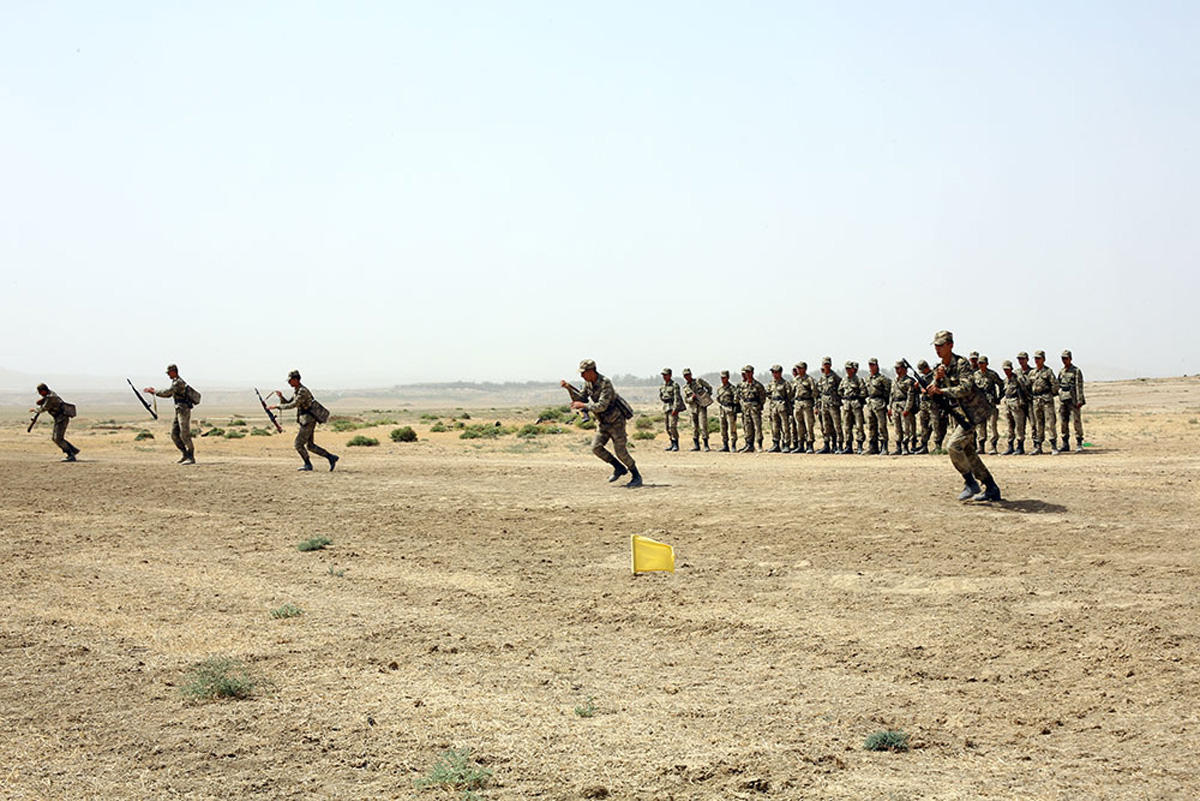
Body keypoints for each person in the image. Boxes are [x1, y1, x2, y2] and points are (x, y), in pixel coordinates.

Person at [922, 331, 1002, 501]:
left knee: (953, 446)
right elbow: (932, 392)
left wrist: (942, 389)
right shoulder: (940, 368)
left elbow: (966, 388)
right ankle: (991, 488)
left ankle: (970, 483)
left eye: (941, 345)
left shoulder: (961, 364)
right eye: (935, 346)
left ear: (950, 345)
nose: (937, 349)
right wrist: (935, 382)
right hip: (958, 415)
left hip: (971, 413)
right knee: (968, 452)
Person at [565, 359, 641, 487]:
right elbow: (581, 398)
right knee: (596, 448)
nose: (581, 375)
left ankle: (636, 475)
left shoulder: (605, 383)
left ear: (591, 371)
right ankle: (619, 468)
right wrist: (569, 389)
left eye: (583, 373)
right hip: (603, 422)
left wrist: (584, 405)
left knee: (621, 452)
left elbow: (602, 406)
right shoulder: (588, 383)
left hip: (616, 421)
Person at [269, 370, 339, 471]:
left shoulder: (302, 391)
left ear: (296, 379)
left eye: (290, 380)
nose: (289, 383)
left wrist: (277, 406)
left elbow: (293, 405)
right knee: (310, 446)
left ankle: (308, 464)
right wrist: (281, 397)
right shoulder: (297, 390)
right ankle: (331, 458)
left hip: (308, 421)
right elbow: (289, 402)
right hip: (306, 420)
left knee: (298, 444)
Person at [144, 364, 196, 464]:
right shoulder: (175, 382)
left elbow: (168, 392)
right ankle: (185, 455)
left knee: (185, 434)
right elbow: (169, 394)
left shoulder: (179, 383)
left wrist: (154, 391)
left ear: (174, 371)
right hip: (178, 410)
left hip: (184, 410)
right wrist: (155, 392)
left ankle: (191, 457)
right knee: (174, 435)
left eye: (169, 373)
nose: (168, 375)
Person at [31, 383, 79, 461]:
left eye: (40, 392)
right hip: (59, 419)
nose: (40, 394)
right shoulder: (49, 396)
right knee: (56, 438)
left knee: (57, 439)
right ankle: (73, 450)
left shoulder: (51, 397)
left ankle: (71, 455)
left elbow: (44, 408)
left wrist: (35, 410)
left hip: (62, 418)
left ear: (43, 391)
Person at [1028, 350, 1060, 455]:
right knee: (1038, 424)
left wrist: (1050, 395)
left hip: (1046, 400)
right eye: (1035, 359)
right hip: (1036, 400)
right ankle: (1038, 446)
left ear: (1043, 359)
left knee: (1050, 422)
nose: (1037, 361)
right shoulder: (1032, 372)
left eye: (1039, 358)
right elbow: (1029, 386)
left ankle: (1053, 446)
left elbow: (1055, 385)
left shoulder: (1048, 371)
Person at [1058, 349, 1087, 453]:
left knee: (1076, 421)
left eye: (1066, 358)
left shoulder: (1076, 371)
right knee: (1063, 422)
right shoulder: (1061, 371)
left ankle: (1079, 442)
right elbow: (1059, 385)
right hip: (1063, 399)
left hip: (1073, 399)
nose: (1064, 360)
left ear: (1070, 358)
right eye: (1063, 358)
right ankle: (1065, 443)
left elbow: (1079, 386)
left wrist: (1079, 400)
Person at [974, 355, 1003, 455]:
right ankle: (981, 447)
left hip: (990, 404)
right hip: (979, 405)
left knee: (992, 426)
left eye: (982, 363)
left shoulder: (992, 374)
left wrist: (999, 397)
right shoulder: (975, 375)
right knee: (980, 427)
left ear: (987, 364)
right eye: (979, 363)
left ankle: (993, 446)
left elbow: (1001, 384)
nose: (981, 365)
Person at [887, 361, 918, 455]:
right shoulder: (895, 380)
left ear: (904, 369)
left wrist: (907, 409)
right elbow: (891, 395)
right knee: (897, 427)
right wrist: (890, 407)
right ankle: (898, 447)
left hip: (904, 404)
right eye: (896, 368)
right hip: (895, 405)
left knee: (906, 428)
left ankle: (906, 447)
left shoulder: (909, 381)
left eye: (899, 368)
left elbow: (910, 396)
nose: (897, 370)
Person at [1000, 359, 1030, 455]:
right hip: (1008, 403)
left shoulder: (1018, 379)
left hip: (1017, 404)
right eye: (1004, 369)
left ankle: (1020, 446)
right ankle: (1010, 446)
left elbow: (1024, 390)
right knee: (1010, 426)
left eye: (1008, 369)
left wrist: (1024, 402)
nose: (1006, 371)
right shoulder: (1005, 380)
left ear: (1011, 369)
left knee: (1019, 426)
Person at [863, 357, 891, 455]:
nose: (871, 367)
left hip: (879, 403)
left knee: (881, 426)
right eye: (870, 365)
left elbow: (888, 392)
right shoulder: (867, 378)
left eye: (873, 365)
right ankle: (872, 446)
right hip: (870, 403)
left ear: (877, 366)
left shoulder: (882, 379)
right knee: (871, 425)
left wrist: (886, 403)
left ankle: (884, 446)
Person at [736, 365, 767, 452]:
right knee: (747, 426)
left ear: (752, 373)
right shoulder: (743, 385)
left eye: (749, 372)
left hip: (754, 408)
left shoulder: (758, 385)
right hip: (745, 408)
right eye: (746, 372)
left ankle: (759, 445)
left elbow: (762, 398)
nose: (747, 374)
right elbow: (740, 396)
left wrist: (758, 406)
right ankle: (749, 445)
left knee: (757, 427)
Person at [681, 368, 713, 451]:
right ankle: (696, 445)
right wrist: (692, 398)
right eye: (685, 375)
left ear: (691, 374)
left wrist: (706, 397)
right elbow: (686, 400)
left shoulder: (699, 381)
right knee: (694, 427)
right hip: (692, 408)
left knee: (703, 426)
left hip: (701, 406)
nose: (687, 376)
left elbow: (709, 387)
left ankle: (706, 445)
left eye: (688, 374)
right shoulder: (685, 387)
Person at [815, 357, 842, 453]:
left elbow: (841, 390)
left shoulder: (835, 377)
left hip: (833, 404)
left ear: (830, 365)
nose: (826, 366)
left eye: (828, 364)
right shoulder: (822, 378)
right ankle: (826, 445)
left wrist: (837, 400)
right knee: (826, 425)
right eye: (824, 364)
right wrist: (817, 406)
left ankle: (838, 445)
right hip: (824, 404)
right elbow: (818, 392)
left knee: (836, 425)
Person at [839, 361, 866, 454]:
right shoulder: (844, 380)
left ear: (853, 369)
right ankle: (848, 446)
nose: (848, 370)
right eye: (846, 369)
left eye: (849, 368)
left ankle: (859, 445)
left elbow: (863, 392)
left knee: (859, 426)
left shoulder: (858, 380)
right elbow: (840, 390)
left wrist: (857, 398)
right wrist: (844, 397)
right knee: (847, 426)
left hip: (856, 404)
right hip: (846, 404)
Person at [764, 364, 793, 452]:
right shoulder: (771, 383)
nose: (774, 374)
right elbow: (768, 394)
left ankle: (786, 444)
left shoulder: (785, 383)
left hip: (782, 406)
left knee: (785, 426)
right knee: (774, 426)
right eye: (773, 372)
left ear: (780, 373)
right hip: (773, 406)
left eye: (775, 372)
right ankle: (776, 444)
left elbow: (789, 396)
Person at [790, 362, 817, 453]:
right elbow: (791, 393)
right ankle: (800, 445)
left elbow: (815, 393)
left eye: (800, 368)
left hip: (807, 404)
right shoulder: (795, 380)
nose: (798, 370)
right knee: (799, 425)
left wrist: (815, 405)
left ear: (805, 369)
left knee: (809, 425)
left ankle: (810, 445)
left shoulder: (809, 379)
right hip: (797, 404)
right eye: (797, 368)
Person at [658, 368, 685, 452]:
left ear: (670, 375)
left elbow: (677, 397)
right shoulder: (662, 385)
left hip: (672, 407)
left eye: (666, 375)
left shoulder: (674, 385)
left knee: (672, 426)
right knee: (667, 427)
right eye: (663, 375)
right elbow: (661, 395)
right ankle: (672, 443)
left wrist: (675, 408)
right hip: (666, 407)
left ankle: (676, 444)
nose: (664, 377)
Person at [714, 370, 739, 452]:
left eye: (724, 377)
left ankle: (733, 445)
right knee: (723, 428)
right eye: (721, 378)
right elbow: (717, 398)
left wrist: (733, 406)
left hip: (730, 409)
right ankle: (725, 445)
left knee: (732, 429)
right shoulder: (719, 388)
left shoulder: (732, 388)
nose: (723, 379)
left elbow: (736, 398)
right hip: (722, 409)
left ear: (728, 378)